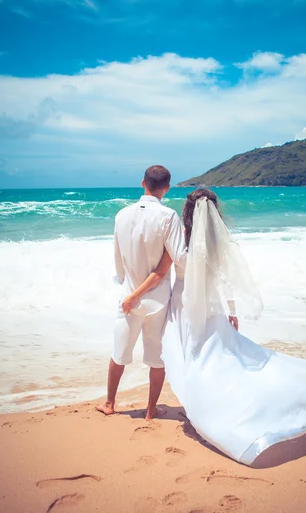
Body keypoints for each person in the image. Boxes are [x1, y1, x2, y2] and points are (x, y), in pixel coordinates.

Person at [121, 188, 306, 465]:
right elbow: (226, 279)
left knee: (192, 357)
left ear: (187, 212)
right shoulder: (217, 241)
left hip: (183, 305)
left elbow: (161, 271)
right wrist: (231, 311)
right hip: (211, 305)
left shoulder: (178, 238)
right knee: (216, 354)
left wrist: (134, 293)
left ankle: (203, 407)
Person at [96, 165, 186, 420]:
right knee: (156, 358)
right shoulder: (169, 216)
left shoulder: (122, 215)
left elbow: (117, 256)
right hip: (158, 300)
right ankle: (149, 411)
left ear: (142, 182)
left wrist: (125, 282)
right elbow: (179, 257)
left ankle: (110, 403)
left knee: (119, 352)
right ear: (167, 188)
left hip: (128, 297)